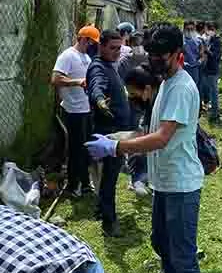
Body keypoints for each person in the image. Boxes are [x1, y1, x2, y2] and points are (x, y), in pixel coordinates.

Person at [87, 24, 203, 273]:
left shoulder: (182, 87)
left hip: (182, 186)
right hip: (165, 183)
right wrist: (118, 136)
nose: (154, 63)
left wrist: (118, 147)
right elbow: (149, 132)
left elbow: (162, 138)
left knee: (184, 260)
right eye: (150, 56)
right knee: (159, 242)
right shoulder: (165, 82)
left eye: (160, 58)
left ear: (176, 54)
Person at [86, 29, 132, 237]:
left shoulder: (109, 65)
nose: (116, 52)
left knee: (107, 177)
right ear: (101, 46)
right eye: (112, 48)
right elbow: (96, 87)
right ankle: (109, 222)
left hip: (117, 131)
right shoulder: (98, 68)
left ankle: (100, 210)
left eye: (118, 48)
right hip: (110, 134)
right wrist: (100, 101)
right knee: (109, 179)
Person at [51, 25, 100, 197]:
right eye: (92, 42)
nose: (93, 46)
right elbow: (55, 78)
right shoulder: (67, 56)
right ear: (84, 39)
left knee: (85, 148)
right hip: (73, 111)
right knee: (76, 149)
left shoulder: (86, 56)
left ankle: (85, 183)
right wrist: (77, 82)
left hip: (86, 109)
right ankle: (73, 186)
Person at [124, 65, 159, 197]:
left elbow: (154, 138)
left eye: (133, 93)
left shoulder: (160, 105)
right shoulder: (151, 103)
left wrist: (118, 145)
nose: (132, 98)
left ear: (147, 89)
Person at [203, 22, 222, 122]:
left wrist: (206, 50)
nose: (207, 32)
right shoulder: (211, 39)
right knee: (210, 90)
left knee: (214, 91)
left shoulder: (217, 41)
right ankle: (212, 109)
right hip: (208, 68)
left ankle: (215, 112)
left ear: (213, 29)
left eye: (208, 29)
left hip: (213, 69)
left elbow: (216, 56)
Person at [183, 21, 204, 90]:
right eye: (187, 29)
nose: (189, 31)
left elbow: (202, 55)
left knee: (194, 88)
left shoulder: (198, 41)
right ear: (184, 29)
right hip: (183, 69)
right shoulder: (180, 41)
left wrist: (199, 62)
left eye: (191, 29)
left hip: (195, 69)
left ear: (194, 29)